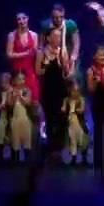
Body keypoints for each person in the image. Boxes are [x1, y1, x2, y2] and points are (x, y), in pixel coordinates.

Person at [36, 28, 70, 159]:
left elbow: (66, 73)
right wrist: (45, 66)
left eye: (59, 37)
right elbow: (38, 71)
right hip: (47, 89)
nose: (58, 39)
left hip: (60, 89)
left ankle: (60, 146)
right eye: (55, 37)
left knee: (61, 117)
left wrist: (63, 63)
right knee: (50, 118)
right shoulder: (41, 53)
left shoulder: (62, 51)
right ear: (48, 38)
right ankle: (51, 145)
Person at [5, 13, 40, 100]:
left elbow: (34, 54)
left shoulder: (34, 35)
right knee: (17, 96)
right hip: (17, 70)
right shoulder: (12, 35)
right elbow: (9, 54)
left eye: (23, 18)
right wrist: (25, 53)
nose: (21, 21)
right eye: (19, 19)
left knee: (32, 96)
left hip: (29, 70)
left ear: (27, 18)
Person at [39, 4, 81, 75]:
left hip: (69, 56)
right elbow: (41, 44)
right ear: (51, 17)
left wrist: (73, 57)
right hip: (51, 57)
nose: (59, 20)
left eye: (61, 17)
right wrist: (44, 57)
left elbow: (76, 43)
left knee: (71, 79)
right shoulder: (45, 26)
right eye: (55, 17)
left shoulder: (70, 25)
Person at [5, 71, 34, 162]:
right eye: (19, 79)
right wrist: (14, 97)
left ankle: (27, 161)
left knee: (27, 141)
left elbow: (28, 103)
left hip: (25, 120)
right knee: (15, 140)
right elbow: (9, 104)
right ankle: (15, 160)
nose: (22, 81)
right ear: (14, 80)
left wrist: (21, 97)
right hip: (15, 119)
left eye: (23, 79)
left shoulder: (27, 91)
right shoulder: (10, 92)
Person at [62, 79, 89, 165]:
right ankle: (73, 158)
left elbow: (82, 109)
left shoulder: (81, 99)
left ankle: (84, 157)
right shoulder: (67, 100)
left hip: (79, 123)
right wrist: (63, 110)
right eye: (73, 91)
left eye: (77, 91)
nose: (75, 93)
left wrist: (79, 110)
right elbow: (63, 108)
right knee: (72, 141)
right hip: (71, 124)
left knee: (82, 140)